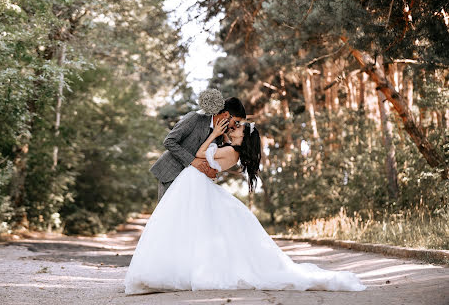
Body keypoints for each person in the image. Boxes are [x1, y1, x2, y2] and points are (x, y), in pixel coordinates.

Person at [124, 119, 367, 294]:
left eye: (238, 128)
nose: (233, 128)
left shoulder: (231, 151)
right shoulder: (229, 148)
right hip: (193, 185)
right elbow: (202, 160)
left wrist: (210, 138)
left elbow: (199, 156)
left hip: (195, 185)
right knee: (191, 230)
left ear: (244, 136)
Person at [149, 96, 246, 201]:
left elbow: (210, 159)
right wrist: (192, 161)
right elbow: (169, 141)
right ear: (226, 115)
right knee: (167, 214)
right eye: (235, 122)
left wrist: (213, 174)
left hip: (191, 182)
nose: (234, 127)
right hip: (171, 174)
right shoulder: (195, 118)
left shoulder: (220, 135)